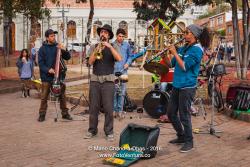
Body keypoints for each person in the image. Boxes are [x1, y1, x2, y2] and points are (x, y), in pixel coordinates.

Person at [165, 24, 211, 153]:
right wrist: (165, 55)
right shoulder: (184, 47)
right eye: (185, 32)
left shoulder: (197, 50)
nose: (184, 34)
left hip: (188, 86)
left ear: (194, 35)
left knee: (184, 115)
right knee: (170, 113)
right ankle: (181, 136)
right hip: (177, 85)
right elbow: (171, 64)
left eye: (187, 32)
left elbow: (185, 66)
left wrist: (175, 52)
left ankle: (189, 141)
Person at [84, 24, 122, 141]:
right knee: (93, 107)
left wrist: (109, 47)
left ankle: (109, 131)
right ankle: (92, 130)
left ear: (109, 35)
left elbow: (119, 58)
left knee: (108, 107)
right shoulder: (93, 46)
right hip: (95, 80)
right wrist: (97, 49)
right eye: (101, 32)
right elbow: (90, 62)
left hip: (108, 81)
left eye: (105, 33)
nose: (103, 34)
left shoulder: (114, 46)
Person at [37, 29, 72, 122]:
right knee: (44, 96)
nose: (53, 37)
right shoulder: (42, 49)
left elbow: (68, 57)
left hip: (59, 76)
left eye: (54, 36)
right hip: (46, 77)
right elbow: (40, 63)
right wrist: (48, 69)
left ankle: (65, 113)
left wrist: (64, 49)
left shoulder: (58, 46)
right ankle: (42, 114)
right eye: (51, 36)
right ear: (47, 38)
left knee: (62, 95)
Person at [112, 28, 133, 119]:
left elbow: (130, 56)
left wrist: (127, 63)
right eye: (119, 36)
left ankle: (120, 111)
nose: (121, 38)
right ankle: (114, 110)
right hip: (113, 72)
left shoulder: (127, 45)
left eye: (123, 37)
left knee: (122, 92)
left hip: (124, 72)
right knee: (114, 92)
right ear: (116, 36)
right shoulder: (112, 45)